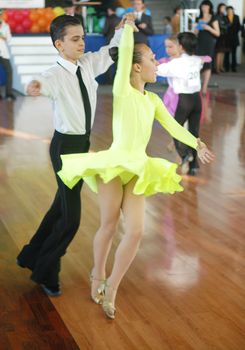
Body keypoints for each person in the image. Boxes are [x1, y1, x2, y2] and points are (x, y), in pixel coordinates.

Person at [58, 18, 214, 319]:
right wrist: (127, 28)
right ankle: (98, 273)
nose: (159, 62)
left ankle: (112, 288)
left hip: (138, 166)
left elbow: (173, 126)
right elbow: (126, 49)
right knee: (109, 224)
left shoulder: (153, 99)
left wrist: (198, 144)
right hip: (115, 165)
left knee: (137, 230)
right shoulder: (123, 91)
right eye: (153, 59)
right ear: (137, 67)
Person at [16, 15, 123, 297]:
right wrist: (35, 86)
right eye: (75, 39)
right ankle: (45, 271)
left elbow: (110, 52)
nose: (81, 43)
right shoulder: (54, 73)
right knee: (71, 218)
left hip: (82, 145)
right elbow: (42, 81)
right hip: (65, 149)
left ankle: (30, 256)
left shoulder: (87, 64)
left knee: (59, 209)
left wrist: (122, 32)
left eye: (83, 38)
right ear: (59, 44)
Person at [157, 32, 212, 175]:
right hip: (197, 100)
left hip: (185, 101)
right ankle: (194, 165)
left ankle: (184, 154)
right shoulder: (196, 60)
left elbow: (159, 71)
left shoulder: (175, 63)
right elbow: (202, 62)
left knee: (175, 130)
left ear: (180, 47)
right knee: (194, 133)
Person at [195, 0, 220, 94]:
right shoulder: (199, 18)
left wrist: (208, 28)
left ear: (209, 7)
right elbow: (195, 33)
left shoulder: (213, 18)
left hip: (209, 43)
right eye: (203, 6)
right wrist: (197, 28)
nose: (204, 8)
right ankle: (198, 85)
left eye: (206, 6)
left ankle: (204, 87)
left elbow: (218, 33)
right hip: (199, 42)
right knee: (198, 64)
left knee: (207, 64)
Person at [0, 9, 15, 100]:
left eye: (0, 15)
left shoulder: (6, 26)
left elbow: (9, 40)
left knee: (9, 71)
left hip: (3, 52)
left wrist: (3, 37)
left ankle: (8, 93)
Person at [224, 6, 241, 73]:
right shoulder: (225, 17)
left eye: (231, 10)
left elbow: (239, 26)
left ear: (233, 10)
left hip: (234, 38)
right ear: (227, 11)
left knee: (234, 54)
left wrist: (235, 32)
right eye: (228, 10)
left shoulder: (236, 17)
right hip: (227, 38)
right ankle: (227, 67)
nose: (229, 11)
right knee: (227, 54)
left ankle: (234, 67)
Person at [214, 3, 229, 73]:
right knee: (219, 52)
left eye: (224, 8)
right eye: (222, 8)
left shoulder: (224, 16)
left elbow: (228, 24)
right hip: (219, 36)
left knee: (223, 52)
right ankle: (217, 68)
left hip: (224, 36)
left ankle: (221, 66)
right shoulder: (216, 16)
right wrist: (224, 26)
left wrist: (225, 25)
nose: (223, 9)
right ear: (219, 8)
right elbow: (219, 25)